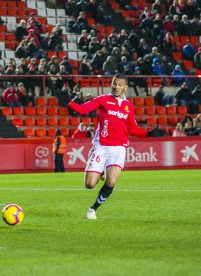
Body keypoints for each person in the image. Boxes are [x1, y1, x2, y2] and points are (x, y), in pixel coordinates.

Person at [68, 74, 165, 220]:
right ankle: (99, 172)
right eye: (114, 83)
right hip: (101, 146)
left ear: (125, 87)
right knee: (89, 184)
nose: (116, 87)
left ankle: (93, 209)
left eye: (120, 84)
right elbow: (82, 110)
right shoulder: (102, 100)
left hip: (119, 148)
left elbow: (132, 129)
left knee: (111, 181)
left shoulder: (128, 107)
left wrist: (149, 133)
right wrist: (71, 100)